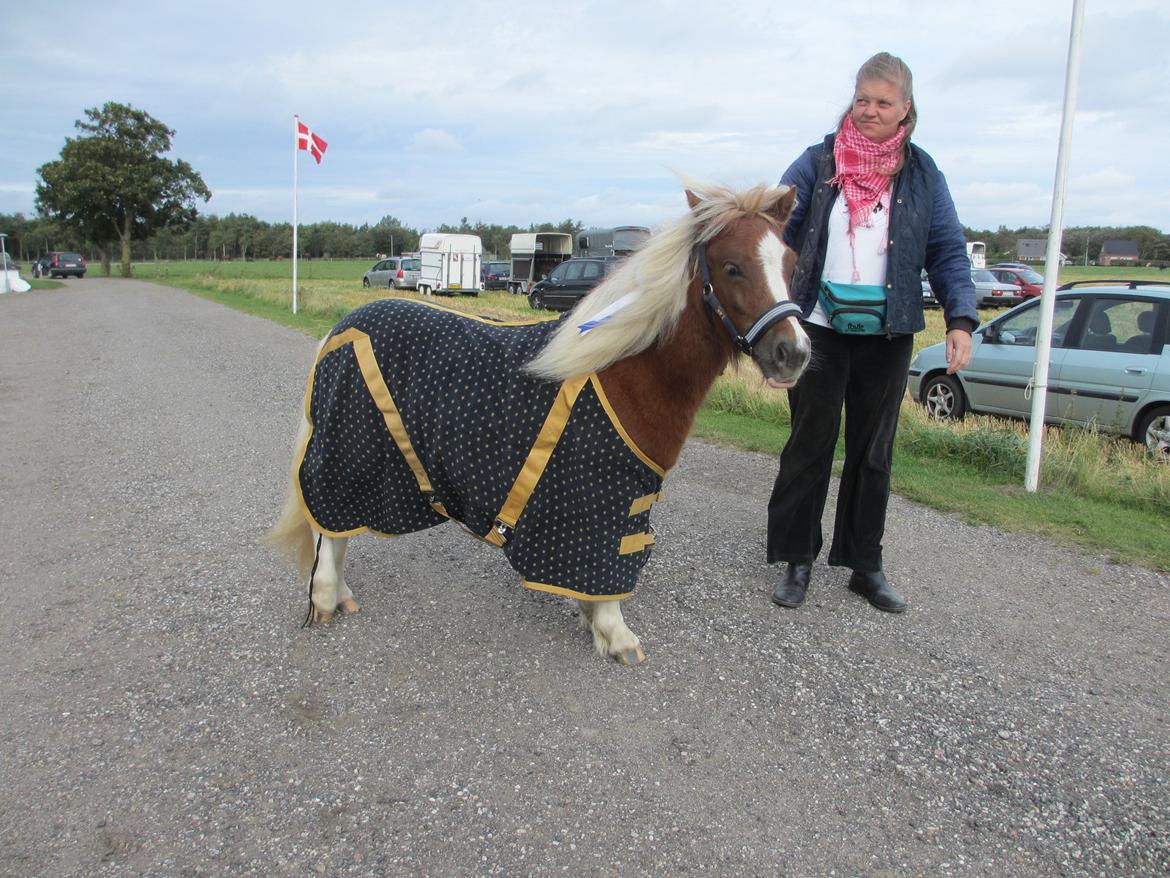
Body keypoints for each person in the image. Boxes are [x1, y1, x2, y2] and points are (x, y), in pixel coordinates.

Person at [767, 52, 978, 614]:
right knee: (810, 443)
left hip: (888, 333)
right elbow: (775, 228)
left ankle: (865, 565)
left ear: (905, 108)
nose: (870, 110)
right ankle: (797, 559)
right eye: (862, 99)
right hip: (817, 327)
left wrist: (960, 320)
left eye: (883, 102)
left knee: (873, 451)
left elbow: (947, 251)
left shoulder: (924, 174)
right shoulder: (817, 161)